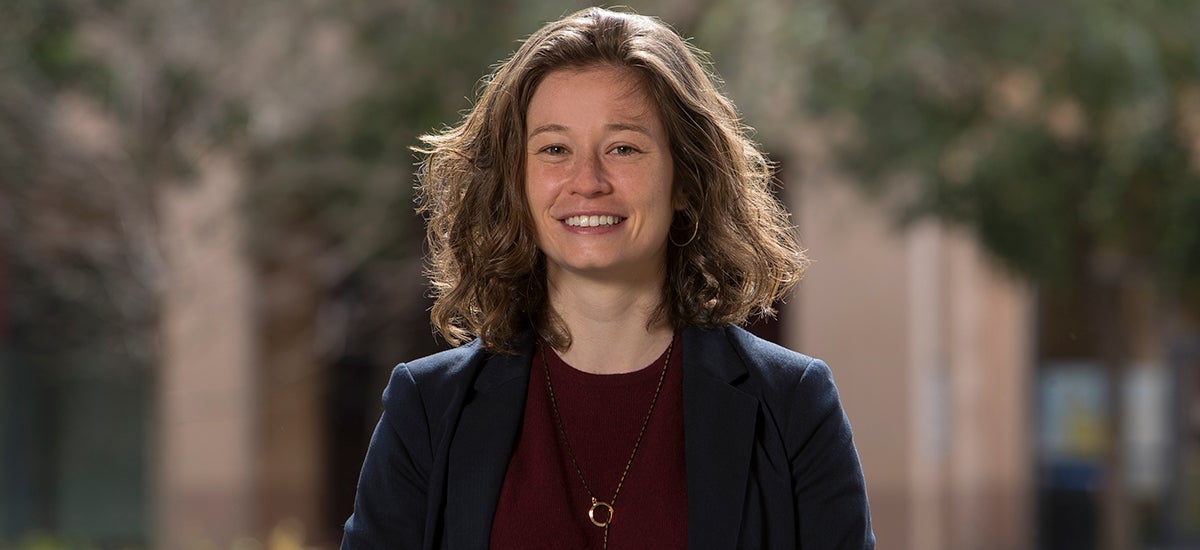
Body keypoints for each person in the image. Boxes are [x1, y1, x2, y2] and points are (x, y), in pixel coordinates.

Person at [342, 7, 874, 549]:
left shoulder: (791, 405)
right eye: (554, 149)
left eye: (623, 147)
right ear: (516, 183)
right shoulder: (428, 408)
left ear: (686, 179)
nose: (587, 181)